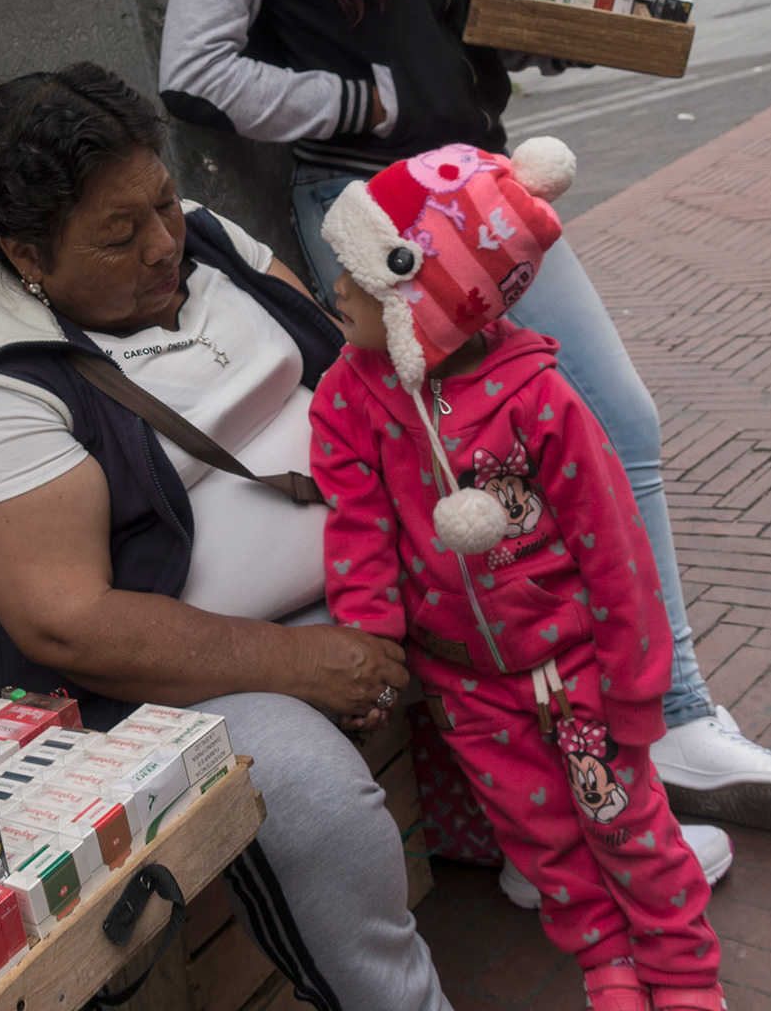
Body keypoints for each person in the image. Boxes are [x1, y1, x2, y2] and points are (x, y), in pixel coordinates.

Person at [158, 0, 771, 855]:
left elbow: (464, 10)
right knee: (482, 503)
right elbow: (193, 66)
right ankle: (575, 811)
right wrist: (360, 99)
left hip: (487, 197)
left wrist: (563, 27)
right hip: (382, 227)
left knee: (611, 425)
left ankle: (670, 717)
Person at [0, 63, 447, 1011]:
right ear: (28, 254)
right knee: (312, 796)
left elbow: (344, 357)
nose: (163, 243)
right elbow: (70, 626)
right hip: (165, 687)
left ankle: (555, 856)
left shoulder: (208, 241)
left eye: (162, 201)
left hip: (350, 582)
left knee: (532, 599)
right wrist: (296, 665)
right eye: (120, 233)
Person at [311, 141, 727, 1011]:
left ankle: (684, 974)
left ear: (420, 295)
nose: (335, 290)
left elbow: (614, 546)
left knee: (629, 829)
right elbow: (360, 530)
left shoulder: (540, 399)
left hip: (581, 676)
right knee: (541, 843)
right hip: (470, 685)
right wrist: (375, 645)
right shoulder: (347, 399)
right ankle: (606, 965)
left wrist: (637, 682)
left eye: (355, 274)